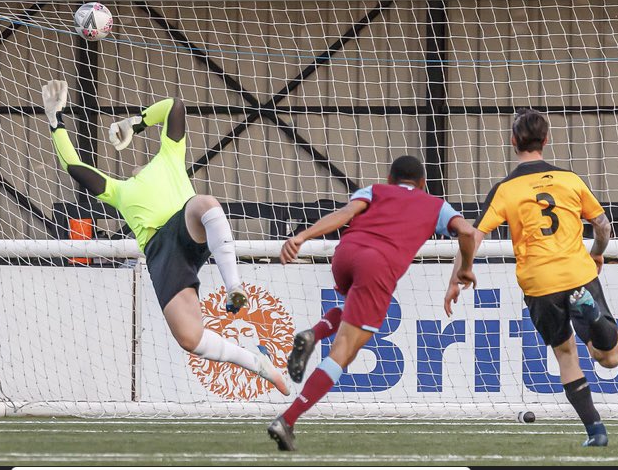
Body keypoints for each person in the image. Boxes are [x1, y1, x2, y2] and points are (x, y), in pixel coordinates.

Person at [42, 80, 289, 396]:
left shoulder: (168, 157)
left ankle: (234, 287)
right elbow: (73, 166)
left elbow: (175, 106)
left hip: (184, 227)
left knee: (205, 204)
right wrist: (55, 121)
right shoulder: (118, 191)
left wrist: (134, 123)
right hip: (161, 253)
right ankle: (260, 365)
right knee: (190, 339)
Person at [267, 155, 478, 451]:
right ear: (423, 183)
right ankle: (287, 420)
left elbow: (345, 213)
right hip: (376, 265)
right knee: (345, 352)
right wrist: (465, 268)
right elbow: (468, 232)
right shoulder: (435, 205)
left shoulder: (375, 190)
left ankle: (316, 331)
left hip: (345, 253)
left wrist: (302, 236)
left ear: (390, 179)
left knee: (352, 310)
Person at [444, 108, 618, 447]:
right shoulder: (570, 180)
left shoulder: (506, 189)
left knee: (566, 355)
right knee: (609, 358)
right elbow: (602, 225)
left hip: (538, 283)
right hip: (577, 273)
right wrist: (597, 251)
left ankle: (596, 431)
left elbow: (472, 237)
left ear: (513, 142)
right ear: (547, 140)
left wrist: (458, 276)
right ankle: (591, 315)